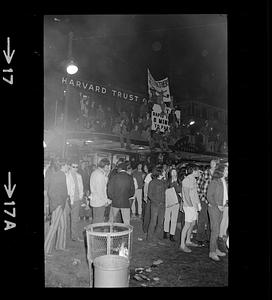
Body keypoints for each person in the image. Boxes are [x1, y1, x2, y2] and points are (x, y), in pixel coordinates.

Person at [44, 160, 69, 255]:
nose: (68, 167)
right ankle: (46, 249)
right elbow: (51, 191)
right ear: (62, 166)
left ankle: (60, 246)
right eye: (67, 165)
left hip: (61, 203)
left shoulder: (58, 174)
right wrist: (57, 203)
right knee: (54, 226)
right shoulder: (60, 175)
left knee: (63, 225)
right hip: (58, 204)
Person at [207, 163, 228, 261]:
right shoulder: (215, 181)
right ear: (221, 171)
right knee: (215, 231)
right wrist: (217, 205)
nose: (227, 172)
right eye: (226, 170)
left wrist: (223, 204)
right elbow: (209, 196)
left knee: (217, 230)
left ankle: (215, 249)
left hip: (221, 208)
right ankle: (212, 252)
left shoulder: (223, 181)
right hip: (214, 208)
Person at [195, 159, 218, 247]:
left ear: (216, 164)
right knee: (202, 219)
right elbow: (198, 184)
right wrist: (200, 196)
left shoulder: (218, 175)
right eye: (211, 163)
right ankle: (199, 239)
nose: (212, 164)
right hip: (204, 199)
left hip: (213, 201)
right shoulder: (205, 173)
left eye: (214, 163)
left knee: (210, 220)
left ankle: (209, 238)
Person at [179, 164, 201, 253]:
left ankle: (188, 241)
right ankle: (182, 245)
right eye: (198, 171)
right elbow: (186, 195)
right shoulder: (186, 180)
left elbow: (194, 194)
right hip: (189, 206)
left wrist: (198, 204)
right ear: (194, 171)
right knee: (187, 225)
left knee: (193, 223)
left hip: (194, 205)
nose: (199, 173)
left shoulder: (193, 180)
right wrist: (190, 205)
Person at [146, 166, 167, 243]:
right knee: (153, 222)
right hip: (155, 205)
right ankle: (149, 239)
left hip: (163, 205)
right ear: (160, 172)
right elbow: (149, 195)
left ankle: (156, 238)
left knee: (160, 223)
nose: (165, 172)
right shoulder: (153, 182)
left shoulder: (163, 181)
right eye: (164, 171)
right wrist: (157, 202)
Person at [89, 158, 111, 223]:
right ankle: (96, 233)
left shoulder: (95, 172)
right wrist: (105, 201)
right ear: (105, 166)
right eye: (108, 166)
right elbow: (100, 190)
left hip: (95, 200)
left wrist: (106, 175)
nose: (109, 168)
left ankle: (93, 232)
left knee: (96, 219)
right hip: (99, 201)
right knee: (99, 221)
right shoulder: (100, 175)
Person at [163, 168, 182, 242]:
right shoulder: (167, 181)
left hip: (176, 202)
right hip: (168, 201)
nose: (174, 173)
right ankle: (165, 232)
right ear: (170, 173)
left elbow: (179, 190)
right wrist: (172, 183)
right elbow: (165, 188)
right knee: (167, 217)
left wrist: (175, 183)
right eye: (172, 172)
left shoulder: (178, 181)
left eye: (175, 172)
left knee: (174, 219)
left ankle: (172, 234)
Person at [68, 162, 84, 241]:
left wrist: (81, 197)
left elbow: (81, 187)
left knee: (75, 219)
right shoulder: (67, 175)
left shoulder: (79, 176)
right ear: (70, 167)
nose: (75, 168)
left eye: (76, 167)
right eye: (73, 166)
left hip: (77, 200)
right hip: (69, 200)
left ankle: (74, 236)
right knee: (69, 219)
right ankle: (72, 236)